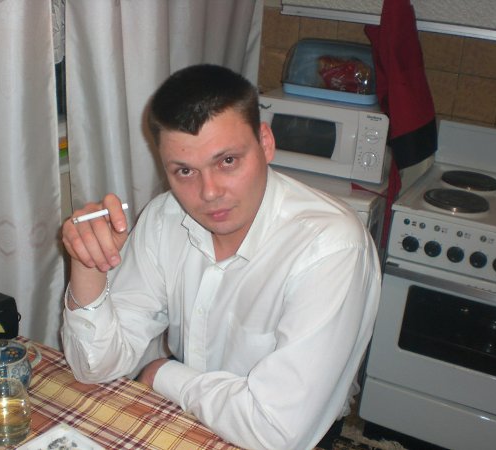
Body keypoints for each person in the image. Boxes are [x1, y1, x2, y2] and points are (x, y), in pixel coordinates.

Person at [60, 64, 381, 450]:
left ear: (265, 143)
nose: (209, 192)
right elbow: (94, 366)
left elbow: (276, 431)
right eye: (185, 171)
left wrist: (162, 373)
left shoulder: (331, 247)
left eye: (227, 161)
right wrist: (89, 264)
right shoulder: (164, 218)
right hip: (186, 416)